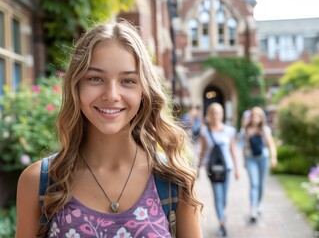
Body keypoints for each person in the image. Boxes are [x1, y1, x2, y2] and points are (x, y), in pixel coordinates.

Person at [16, 19, 203, 238]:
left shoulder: (174, 181)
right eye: (95, 78)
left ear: (144, 91)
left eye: (128, 81)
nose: (111, 95)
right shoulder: (40, 181)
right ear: (76, 86)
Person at [197, 102, 239, 237]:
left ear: (222, 114)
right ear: (209, 114)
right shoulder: (205, 131)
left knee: (224, 198)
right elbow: (202, 151)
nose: (216, 115)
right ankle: (221, 223)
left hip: (226, 168)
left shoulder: (229, 131)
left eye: (218, 112)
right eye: (213, 112)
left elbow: (232, 150)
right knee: (218, 196)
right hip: (212, 168)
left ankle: (222, 214)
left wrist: (237, 168)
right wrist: (198, 168)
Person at [242, 106, 277, 222]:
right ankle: (253, 209)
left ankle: (258, 204)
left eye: (257, 116)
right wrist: (243, 160)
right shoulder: (246, 129)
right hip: (250, 159)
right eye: (253, 115)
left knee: (261, 184)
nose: (254, 118)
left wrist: (273, 158)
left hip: (263, 159)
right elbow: (244, 146)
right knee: (254, 184)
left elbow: (271, 144)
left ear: (261, 118)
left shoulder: (265, 130)